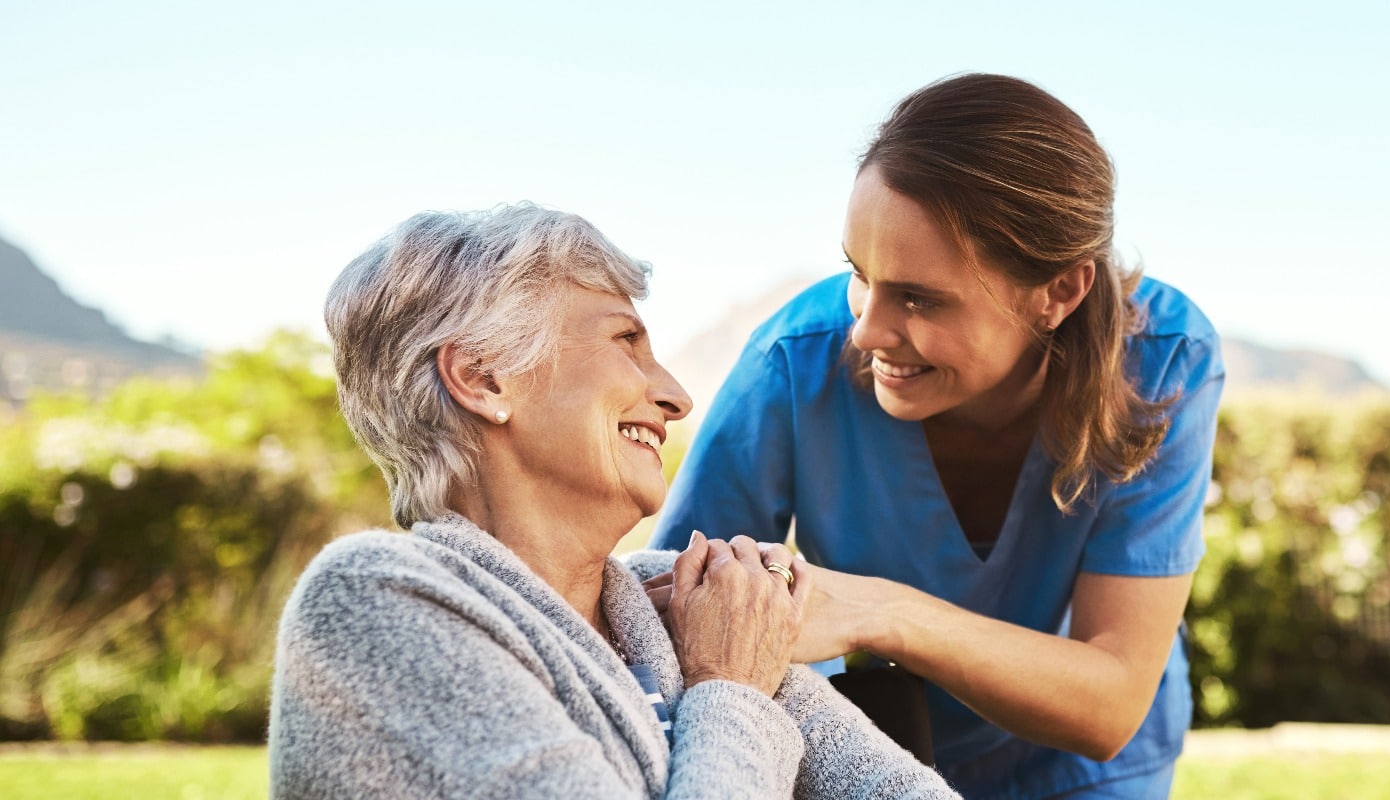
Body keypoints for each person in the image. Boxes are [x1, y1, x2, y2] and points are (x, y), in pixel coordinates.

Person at [652, 74, 1225, 798]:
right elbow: (677, 612)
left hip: (1085, 773)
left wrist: (883, 613)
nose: (865, 331)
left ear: (1058, 293)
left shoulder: (1166, 362)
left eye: (920, 298)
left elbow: (1109, 700)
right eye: (860, 275)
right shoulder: (795, 362)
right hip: (874, 751)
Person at [268, 204, 957, 799]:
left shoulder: (673, 603)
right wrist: (732, 688)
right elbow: (737, 690)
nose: (676, 397)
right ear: (483, 378)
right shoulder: (371, 604)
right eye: (627, 342)